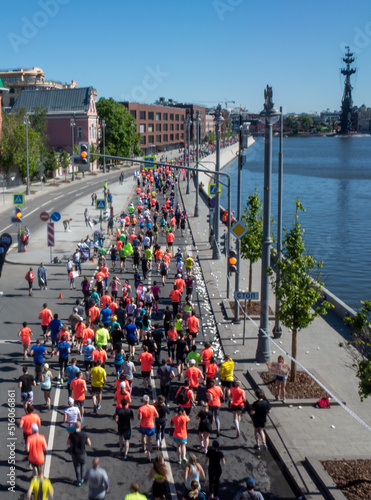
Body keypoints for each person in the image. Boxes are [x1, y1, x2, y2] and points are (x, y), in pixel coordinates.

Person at [67, 421, 91, 486]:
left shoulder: (72, 434)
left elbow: (68, 443)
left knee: (77, 466)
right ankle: (83, 478)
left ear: (75, 427)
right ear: (80, 427)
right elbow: (89, 443)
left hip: (75, 453)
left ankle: (78, 480)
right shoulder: (84, 434)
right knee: (83, 465)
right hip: (83, 453)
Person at [138, 395, 159, 462]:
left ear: (144, 401)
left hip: (143, 425)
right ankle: (149, 453)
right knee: (149, 440)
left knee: (143, 437)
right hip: (150, 425)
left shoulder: (141, 408)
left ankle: (143, 448)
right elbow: (157, 415)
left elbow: (140, 418)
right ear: (149, 401)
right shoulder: (152, 407)